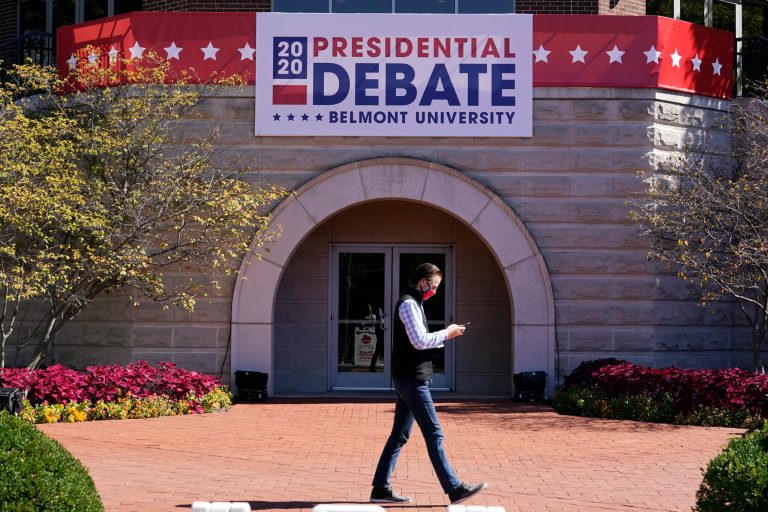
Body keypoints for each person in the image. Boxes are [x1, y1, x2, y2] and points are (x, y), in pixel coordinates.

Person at [370, 263, 487, 505]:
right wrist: (448, 332)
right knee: (434, 434)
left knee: (399, 435)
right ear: (422, 282)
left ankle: (380, 488)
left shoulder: (415, 304)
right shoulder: (409, 304)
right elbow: (419, 341)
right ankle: (454, 489)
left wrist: (448, 334)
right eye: (433, 286)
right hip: (413, 380)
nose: (434, 290)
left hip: (408, 378)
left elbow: (419, 341)